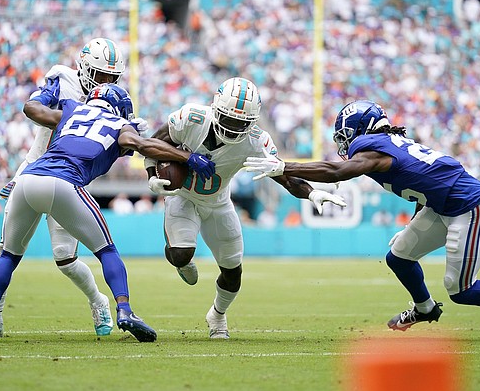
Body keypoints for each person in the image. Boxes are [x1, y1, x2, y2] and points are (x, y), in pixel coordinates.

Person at [244, 99, 480, 340]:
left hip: (468, 205)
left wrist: (286, 167)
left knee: (460, 289)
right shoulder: (390, 144)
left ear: (361, 129)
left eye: (346, 135)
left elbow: (338, 172)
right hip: (442, 204)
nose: (344, 143)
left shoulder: (372, 147)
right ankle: (424, 309)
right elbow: (427, 185)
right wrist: (412, 224)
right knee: (399, 257)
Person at [0, 81, 216, 343]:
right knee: (106, 251)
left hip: (27, 180)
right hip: (64, 183)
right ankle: (125, 310)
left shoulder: (71, 111)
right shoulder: (120, 125)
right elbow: (142, 147)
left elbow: (33, 110)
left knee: (8, 255)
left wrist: (45, 92)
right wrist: (187, 158)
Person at [144, 77, 346, 339]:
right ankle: (181, 261)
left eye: (241, 123)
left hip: (218, 203)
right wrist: (152, 173)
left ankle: (217, 315)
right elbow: (153, 144)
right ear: (216, 109)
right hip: (183, 197)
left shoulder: (255, 141)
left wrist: (311, 192)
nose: (233, 127)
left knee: (233, 272)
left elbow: (283, 175)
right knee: (180, 255)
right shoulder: (192, 118)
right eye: (228, 119)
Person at [0, 38, 145, 338]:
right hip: (35, 167)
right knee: (6, 247)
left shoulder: (113, 98)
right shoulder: (62, 79)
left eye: (112, 78)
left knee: (65, 257)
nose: (106, 82)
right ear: (85, 68)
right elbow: (34, 107)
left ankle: (97, 300)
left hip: (69, 179)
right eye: (101, 75)